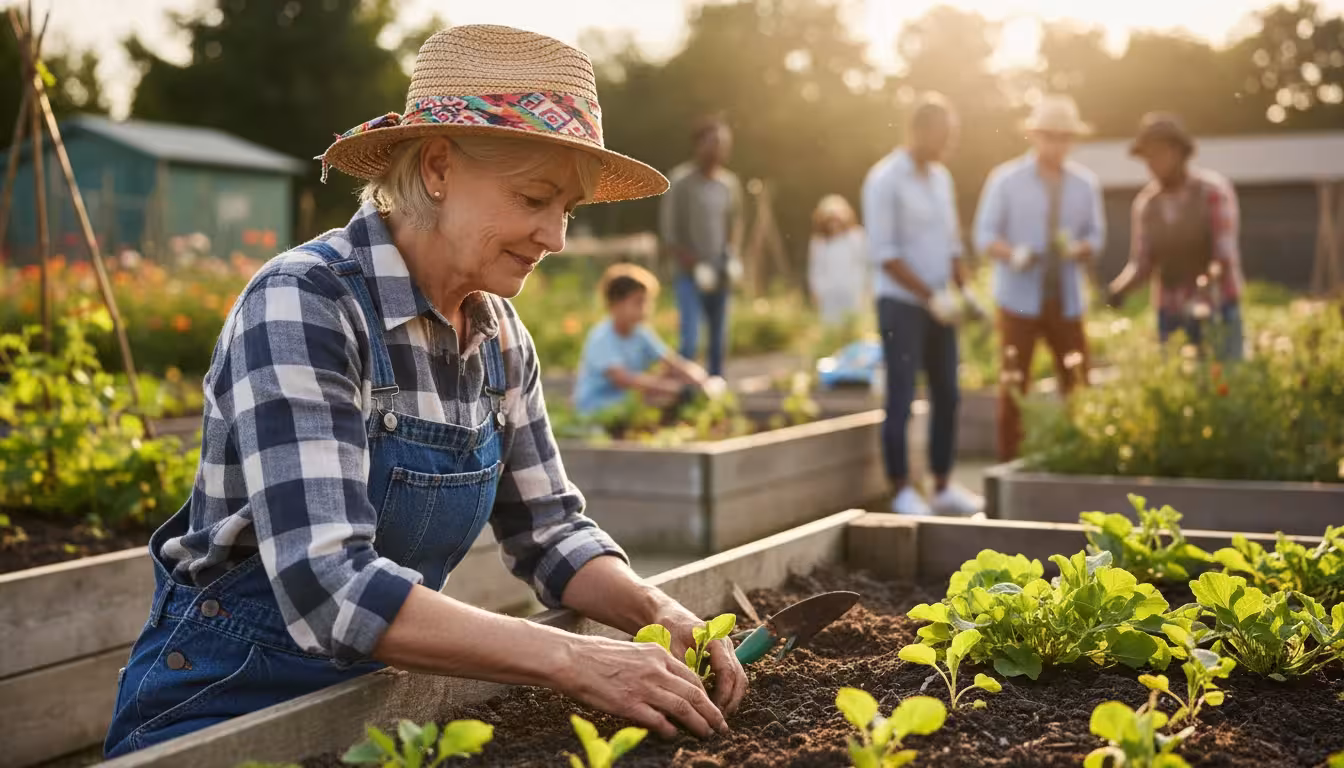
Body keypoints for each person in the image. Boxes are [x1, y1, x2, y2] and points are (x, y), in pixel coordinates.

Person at [104, 25, 746, 757]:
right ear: (438, 166)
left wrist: (664, 615)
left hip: (374, 715)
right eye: (535, 197)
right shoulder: (304, 304)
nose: (556, 236)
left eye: (567, 208)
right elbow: (329, 588)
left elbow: (552, 534)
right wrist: (572, 659)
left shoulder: (500, 338)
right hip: (221, 710)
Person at [861, 93, 984, 518]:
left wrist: (964, 293)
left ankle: (943, 484)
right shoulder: (885, 179)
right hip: (901, 304)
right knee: (901, 393)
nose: (948, 143)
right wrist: (930, 297)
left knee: (947, 393)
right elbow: (886, 253)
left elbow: (951, 244)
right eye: (943, 134)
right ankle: (900, 489)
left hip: (941, 306)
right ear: (920, 130)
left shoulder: (941, 178)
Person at [973, 94, 1106, 461]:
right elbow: (984, 236)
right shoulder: (1005, 180)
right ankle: (1011, 464)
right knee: (1014, 385)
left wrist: (1078, 250)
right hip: (1018, 300)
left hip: (1066, 300)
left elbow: (1096, 237)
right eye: (1050, 135)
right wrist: (1012, 254)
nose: (1057, 144)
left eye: (1064, 137)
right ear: (1035, 136)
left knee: (1077, 384)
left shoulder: (1085, 184)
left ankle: (1080, 456)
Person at [1107, 112, 1244, 361]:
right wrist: (1117, 290)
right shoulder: (1147, 204)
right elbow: (1141, 263)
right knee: (1178, 389)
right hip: (1170, 314)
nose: (1153, 162)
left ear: (1180, 152)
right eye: (1148, 156)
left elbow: (1222, 256)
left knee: (1225, 385)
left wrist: (1203, 291)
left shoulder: (1212, 193)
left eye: (1159, 153)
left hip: (1216, 309)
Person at [573, 263, 724, 418]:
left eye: (647, 302)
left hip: (627, 404)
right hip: (596, 409)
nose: (646, 309)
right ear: (616, 304)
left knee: (671, 376)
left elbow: (673, 363)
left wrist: (702, 381)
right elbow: (623, 379)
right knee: (659, 391)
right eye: (639, 302)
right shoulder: (602, 337)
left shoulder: (641, 332)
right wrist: (677, 390)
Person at [659, 114, 744, 377]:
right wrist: (695, 265)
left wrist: (730, 257)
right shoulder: (682, 182)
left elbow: (734, 225)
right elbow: (670, 233)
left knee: (718, 340)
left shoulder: (729, 184)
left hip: (720, 272)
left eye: (724, 143)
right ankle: (684, 394)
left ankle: (716, 392)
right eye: (714, 142)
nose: (720, 148)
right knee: (691, 340)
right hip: (689, 275)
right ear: (699, 144)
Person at [807, 194, 869, 326]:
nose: (833, 224)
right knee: (831, 326)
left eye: (836, 219)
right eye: (830, 219)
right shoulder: (819, 242)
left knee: (853, 324)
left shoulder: (856, 237)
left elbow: (865, 264)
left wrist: (866, 288)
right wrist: (816, 291)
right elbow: (815, 269)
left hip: (852, 290)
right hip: (829, 294)